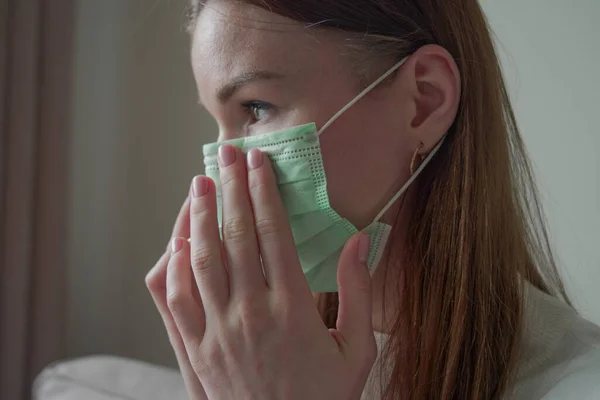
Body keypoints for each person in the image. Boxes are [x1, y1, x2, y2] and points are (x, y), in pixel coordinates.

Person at [145, 1, 600, 399]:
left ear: (424, 101)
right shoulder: (259, 359)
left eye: (255, 108)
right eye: (217, 123)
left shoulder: (577, 383)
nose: (225, 169)